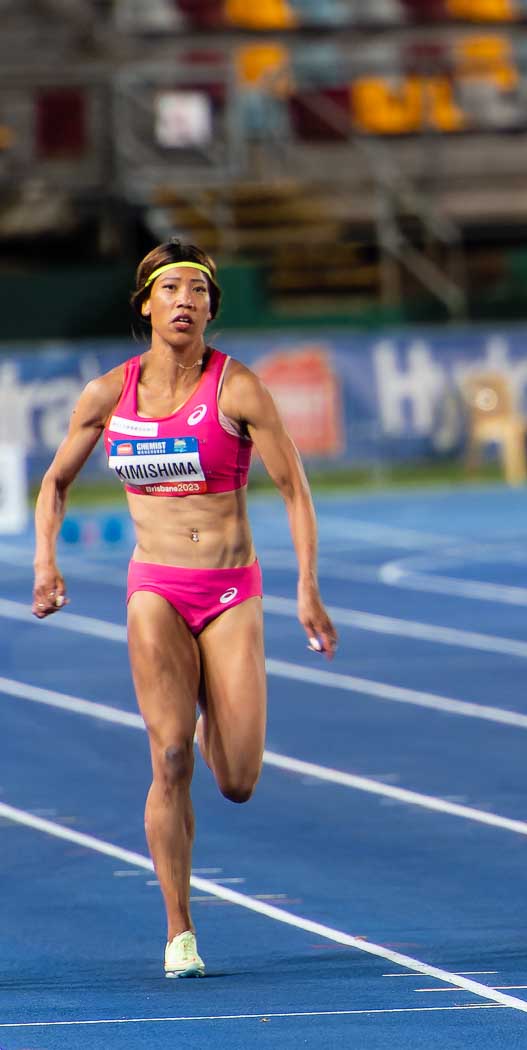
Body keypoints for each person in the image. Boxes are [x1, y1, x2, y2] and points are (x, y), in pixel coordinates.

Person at [31, 241, 338, 978]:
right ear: (144, 303)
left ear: (209, 308)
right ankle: (179, 930)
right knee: (169, 756)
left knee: (235, 780)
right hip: (156, 589)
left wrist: (306, 587)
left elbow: (295, 489)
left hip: (230, 591)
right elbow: (54, 484)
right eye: (169, 287)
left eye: (197, 290)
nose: (184, 300)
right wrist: (45, 562)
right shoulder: (108, 394)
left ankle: (213, 706)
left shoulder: (238, 389)